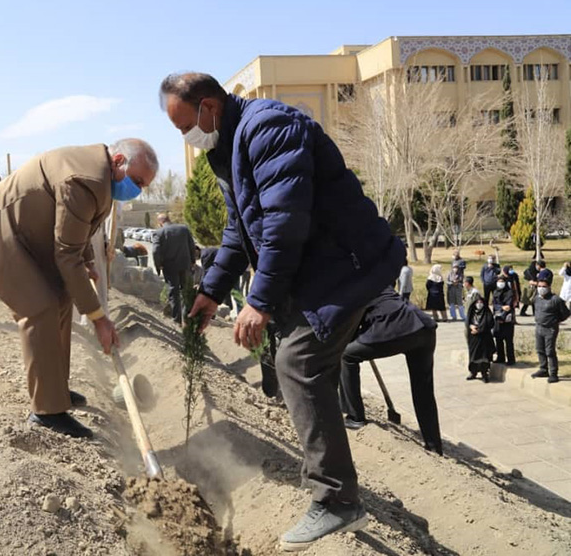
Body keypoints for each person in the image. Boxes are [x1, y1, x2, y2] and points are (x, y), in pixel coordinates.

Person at [160, 72, 404, 550]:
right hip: (320, 270)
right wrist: (211, 291)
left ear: (209, 106)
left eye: (185, 125)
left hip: (347, 263)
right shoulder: (227, 146)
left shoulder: (268, 128)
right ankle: (329, 480)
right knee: (306, 365)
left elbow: (283, 224)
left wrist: (259, 302)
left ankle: (337, 501)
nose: (186, 137)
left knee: (299, 363)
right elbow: (240, 231)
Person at [0, 139, 158, 439]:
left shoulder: (99, 175)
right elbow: (66, 254)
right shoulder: (87, 180)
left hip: (22, 232)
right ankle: (47, 412)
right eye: (137, 181)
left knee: (61, 297)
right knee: (39, 307)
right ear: (117, 161)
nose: (137, 190)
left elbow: (78, 227)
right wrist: (99, 318)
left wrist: (88, 261)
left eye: (143, 186)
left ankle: (55, 390)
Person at [338, 288, 442, 455]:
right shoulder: (376, 280)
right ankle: (434, 445)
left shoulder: (351, 287)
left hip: (398, 327)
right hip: (424, 328)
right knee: (423, 391)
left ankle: (355, 417)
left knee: (346, 356)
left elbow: (350, 327)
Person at [152, 212, 197, 323]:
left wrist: (158, 266)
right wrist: (193, 261)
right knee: (186, 291)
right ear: (169, 219)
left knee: (174, 292)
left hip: (169, 267)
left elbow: (155, 251)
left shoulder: (159, 233)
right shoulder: (184, 229)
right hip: (185, 265)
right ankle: (188, 318)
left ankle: (177, 320)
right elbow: (192, 246)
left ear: (160, 223)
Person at [532, 269, 568, 383]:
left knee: (550, 351)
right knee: (540, 349)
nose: (541, 288)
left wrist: (555, 321)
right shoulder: (536, 298)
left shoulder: (555, 300)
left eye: (544, 286)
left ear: (549, 287)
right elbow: (535, 310)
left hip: (550, 329)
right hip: (539, 327)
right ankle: (543, 369)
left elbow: (565, 313)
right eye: (539, 286)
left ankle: (553, 373)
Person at [466, 294, 495, 382]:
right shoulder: (472, 312)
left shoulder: (487, 312)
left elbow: (490, 323)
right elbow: (468, 322)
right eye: (477, 302)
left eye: (481, 302)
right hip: (473, 338)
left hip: (484, 338)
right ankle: (473, 372)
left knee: (484, 358)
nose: (479, 304)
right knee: (474, 357)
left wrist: (479, 330)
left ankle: (484, 373)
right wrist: (471, 326)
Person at [492, 273, 516, 365]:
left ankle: (511, 359)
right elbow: (494, 305)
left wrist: (503, 314)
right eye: (499, 281)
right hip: (497, 318)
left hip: (507, 319)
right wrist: (501, 308)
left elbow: (508, 306)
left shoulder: (509, 292)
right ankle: (500, 357)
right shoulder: (495, 292)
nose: (500, 283)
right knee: (498, 339)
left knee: (508, 340)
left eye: (502, 281)